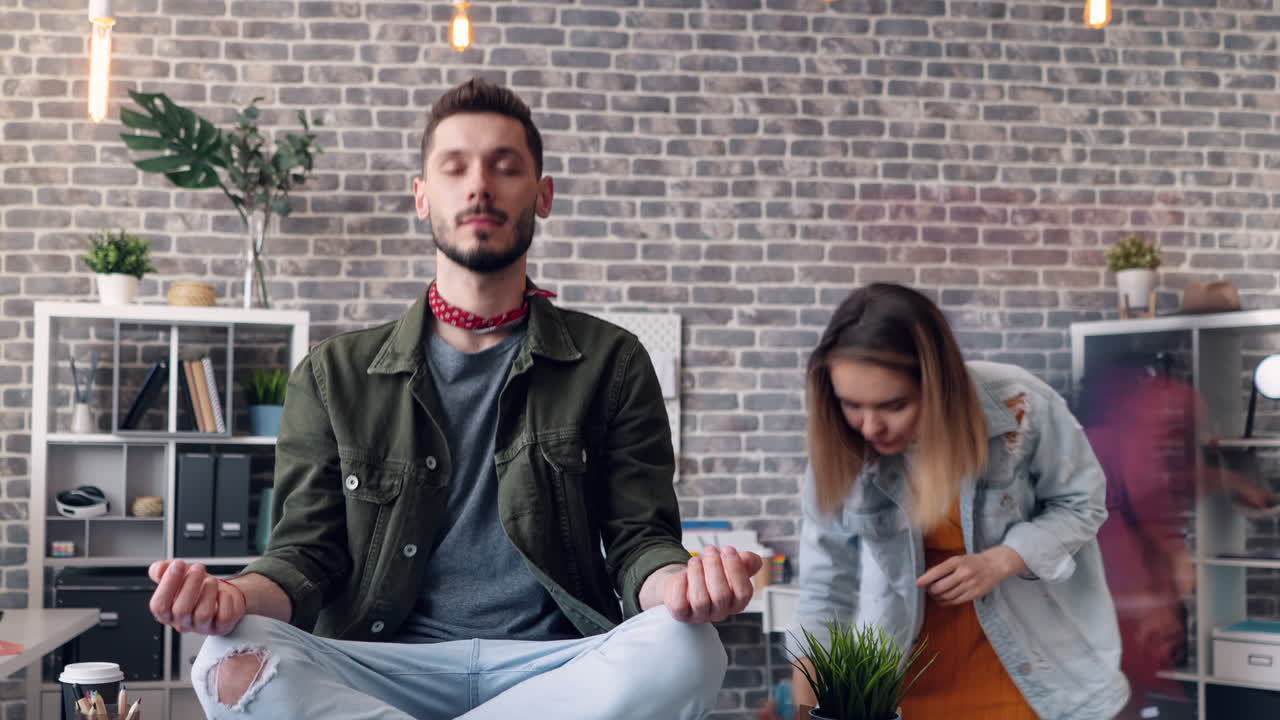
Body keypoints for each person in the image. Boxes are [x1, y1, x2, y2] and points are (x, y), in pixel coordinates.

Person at [145, 78, 761, 720]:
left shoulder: (612, 360)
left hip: (554, 664)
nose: (479, 185)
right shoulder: (335, 372)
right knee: (225, 657)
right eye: (455, 166)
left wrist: (687, 587)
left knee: (690, 648)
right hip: (382, 665)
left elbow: (640, 543)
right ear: (423, 196)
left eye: (505, 166)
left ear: (542, 195)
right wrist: (230, 596)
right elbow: (304, 555)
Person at [775, 283, 1129, 720]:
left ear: (938, 383)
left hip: (1029, 679)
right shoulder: (840, 446)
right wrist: (807, 706)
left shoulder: (1020, 405)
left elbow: (1082, 503)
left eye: (894, 405)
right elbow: (826, 587)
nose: (869, 427)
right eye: (851, 404)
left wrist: (1002, 560)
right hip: (897, 691)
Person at [1078, 354, 1276, 720]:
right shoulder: (1161, 405)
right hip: (1127, 574)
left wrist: (1231, 481)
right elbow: (1147, 487)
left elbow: (1163, 481)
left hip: (1102, 576)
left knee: (1116, 684)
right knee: (1125, 685)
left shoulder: (1096, 431)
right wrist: (1176, 554)